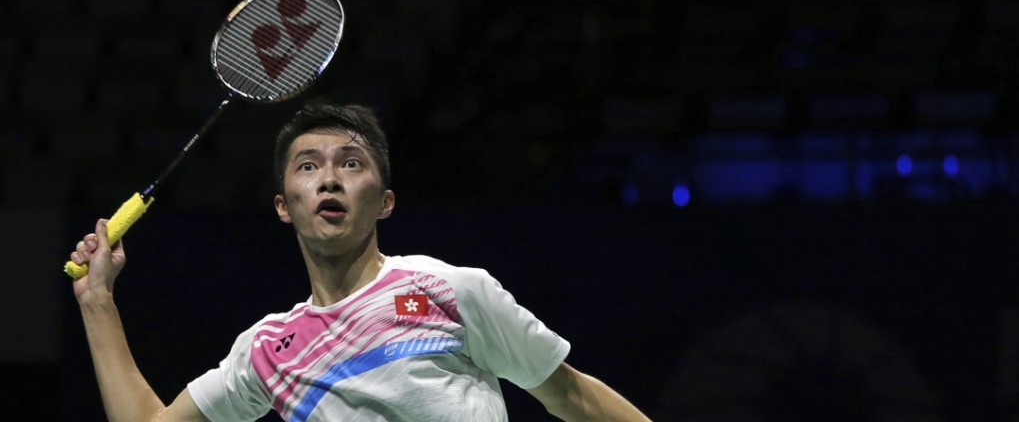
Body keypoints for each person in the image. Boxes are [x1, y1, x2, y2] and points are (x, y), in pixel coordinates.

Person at [69, 98, 652, 421]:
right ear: (282, 206)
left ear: (385, 201)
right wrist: (97, 302)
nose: (328, 179)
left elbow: (571, 395)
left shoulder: (450, 291)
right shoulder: (269, 350)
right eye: (307, 166)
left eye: (351, 163)